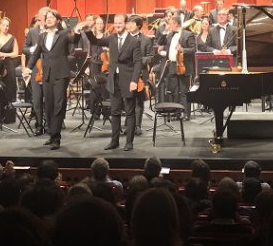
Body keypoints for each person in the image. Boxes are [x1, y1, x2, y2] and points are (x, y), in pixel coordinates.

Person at [27, 10, 92, 150]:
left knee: (58, 105)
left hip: (61, 74)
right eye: (47, 18)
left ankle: (56, 137)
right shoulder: (42, 36)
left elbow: (74, 40)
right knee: (49, 106)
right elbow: (37, 53)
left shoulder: (63, 34)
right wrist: (28, 68)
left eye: (52, 17)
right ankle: (51, 134)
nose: (49, 19)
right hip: (47, 74)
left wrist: (78, 30)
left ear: (57, 20)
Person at [84, 13, 145, 151]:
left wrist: (134, 80)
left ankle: (129, 142)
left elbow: (138, 63)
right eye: (115, 23)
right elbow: (96, 42)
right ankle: (114, 141)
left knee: (129, 113)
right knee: (115, 111)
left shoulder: (134, 41)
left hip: (129, 80)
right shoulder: (111, 38)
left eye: (120, 23)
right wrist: (88, 30)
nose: (117, 25)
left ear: (126, 24)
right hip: (113, 80)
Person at [154, 15, 196, 118]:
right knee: (174, 91)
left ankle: (185, 113)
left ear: (176, 24)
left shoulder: (188, 34)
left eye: (170, 23)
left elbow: (193, 50)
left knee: (184, 91)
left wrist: (183, 50)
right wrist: (164, 32)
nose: (169, 25)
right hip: (171, 65)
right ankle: (177, 112)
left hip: (183, 65)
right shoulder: (170, 34)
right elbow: (160, 43)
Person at [0, 16, 20, 124]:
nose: (6, 27)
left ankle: (9, 118)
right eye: (4, 25)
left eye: (8, 26)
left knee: (9, 90)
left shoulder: (12, 38)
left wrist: (4, 54)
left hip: (8, 65)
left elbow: (16, 53)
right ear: (0, 26)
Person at [24, 7, 47, 135]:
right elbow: (24, 49)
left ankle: (49, 124)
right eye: (42, 15)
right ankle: (39, 125)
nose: (44, 18)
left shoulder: (53, 32)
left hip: (49, 69)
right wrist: (32, 49)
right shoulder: (32, 31)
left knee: (49, 100)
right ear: (39, 17)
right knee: (37, 99)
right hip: (36, 71)